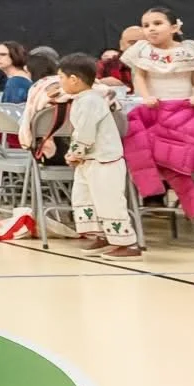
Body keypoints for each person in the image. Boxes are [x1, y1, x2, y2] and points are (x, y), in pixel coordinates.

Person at [57, 55, 139, 258]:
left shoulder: (90, 101)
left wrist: (75, 153)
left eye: (61, 77)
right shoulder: (83, 99)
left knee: (109, 200)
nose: (60, 82)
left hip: (104, 160)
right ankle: (103, 235)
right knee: (86, 197)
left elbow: (85, 132)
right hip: (90, 160)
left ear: (74, 79)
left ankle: (127, 243)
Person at [125, 7, 194, 107]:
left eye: (157, 23)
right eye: (146, 26)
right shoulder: (142, 50)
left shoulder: (189, 50)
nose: (151, 28)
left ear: (174, 28)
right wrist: (146, 97)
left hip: (185, 105)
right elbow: (139, 77)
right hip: (153, 105)